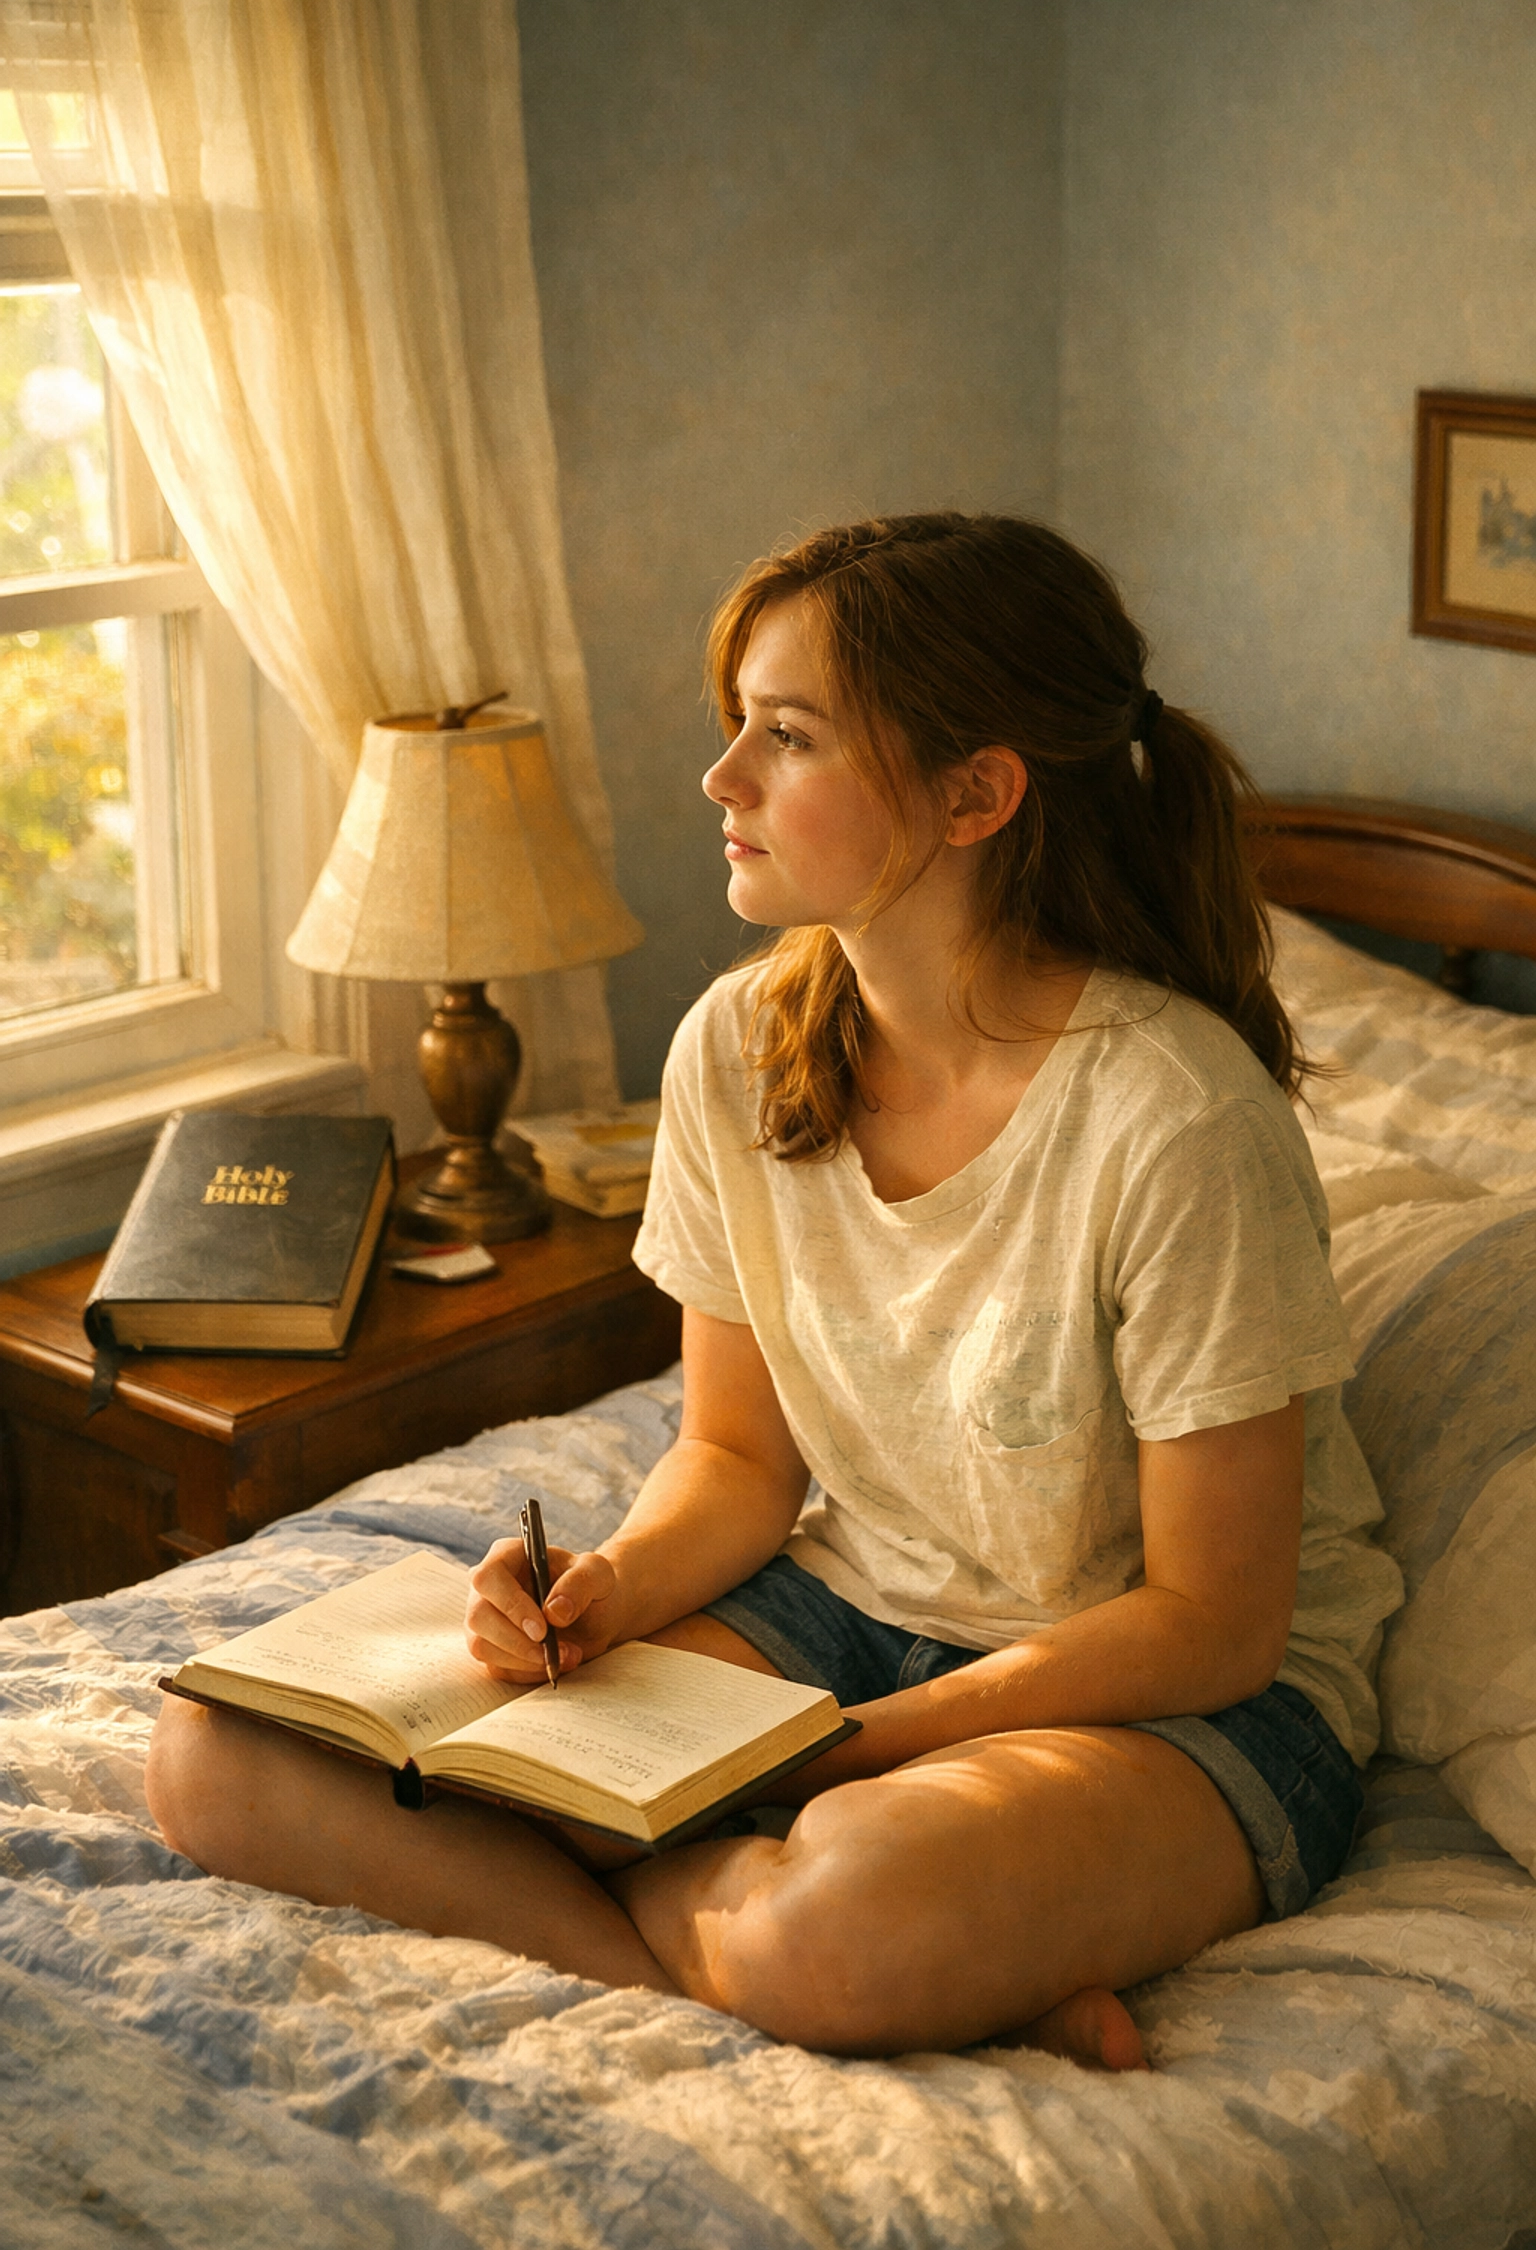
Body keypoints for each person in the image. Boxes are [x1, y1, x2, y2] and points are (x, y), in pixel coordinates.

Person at [147, 513, 1403, 2069]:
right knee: (220, 1753)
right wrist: (612, 1586)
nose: (721, 777)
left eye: (787, 735)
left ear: (977, 794)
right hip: (843, 1611)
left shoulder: (1178, 1120)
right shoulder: (739, 1048)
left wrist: (845, 1758)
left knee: (848, 1914)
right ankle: (943, 1973)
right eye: (734, 722)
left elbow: (1213, 1624)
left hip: (1168, 1693)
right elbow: (740, 1463)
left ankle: (882, 1945)